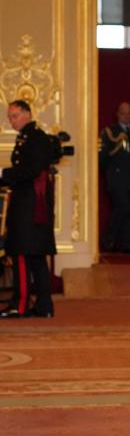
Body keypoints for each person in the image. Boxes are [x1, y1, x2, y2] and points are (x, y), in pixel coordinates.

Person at [0, 100, 57, 319]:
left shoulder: (36, 138)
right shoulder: (27, 137)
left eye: (14, 116)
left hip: (29, 206)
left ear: (26, 114)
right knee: (35, 256)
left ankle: (21, 305)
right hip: (30, 204)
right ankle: (44, 306)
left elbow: (29, 171)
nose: (11, 120)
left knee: (22, 253)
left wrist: (3, 174)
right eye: (9, 117)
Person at [99, 101, 130, 253]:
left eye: (129, 113)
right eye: (124, 113)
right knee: (121, 207)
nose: (127, 116)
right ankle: (109, 240)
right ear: (118, 114)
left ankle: (127, 245)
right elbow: (103, 156)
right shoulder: (110, 132)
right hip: (117, 178)